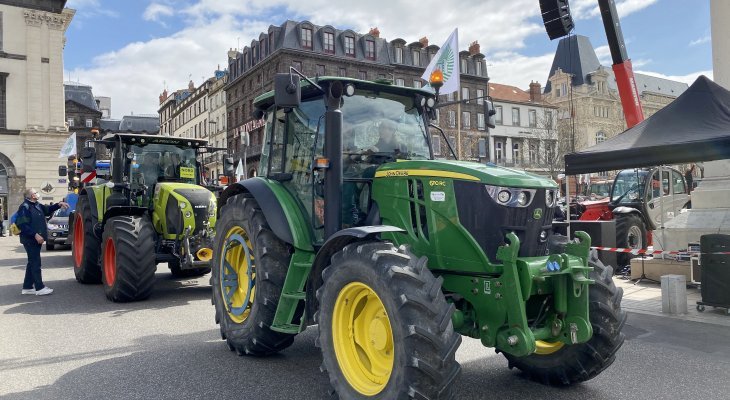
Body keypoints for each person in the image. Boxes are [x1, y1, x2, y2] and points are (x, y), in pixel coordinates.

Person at [16, 188, 69, 296]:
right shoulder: (25, 207)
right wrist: (35, 235)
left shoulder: (36, 205)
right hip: (31, 240)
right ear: (31, 196)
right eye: (35, 193)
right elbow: (23, 225)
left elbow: (48, 209)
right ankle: (39, 288)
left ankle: (27, 287)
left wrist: (59, 204)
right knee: (36, 263)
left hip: (36, 239)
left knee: (32, 262)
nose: (37, 194)